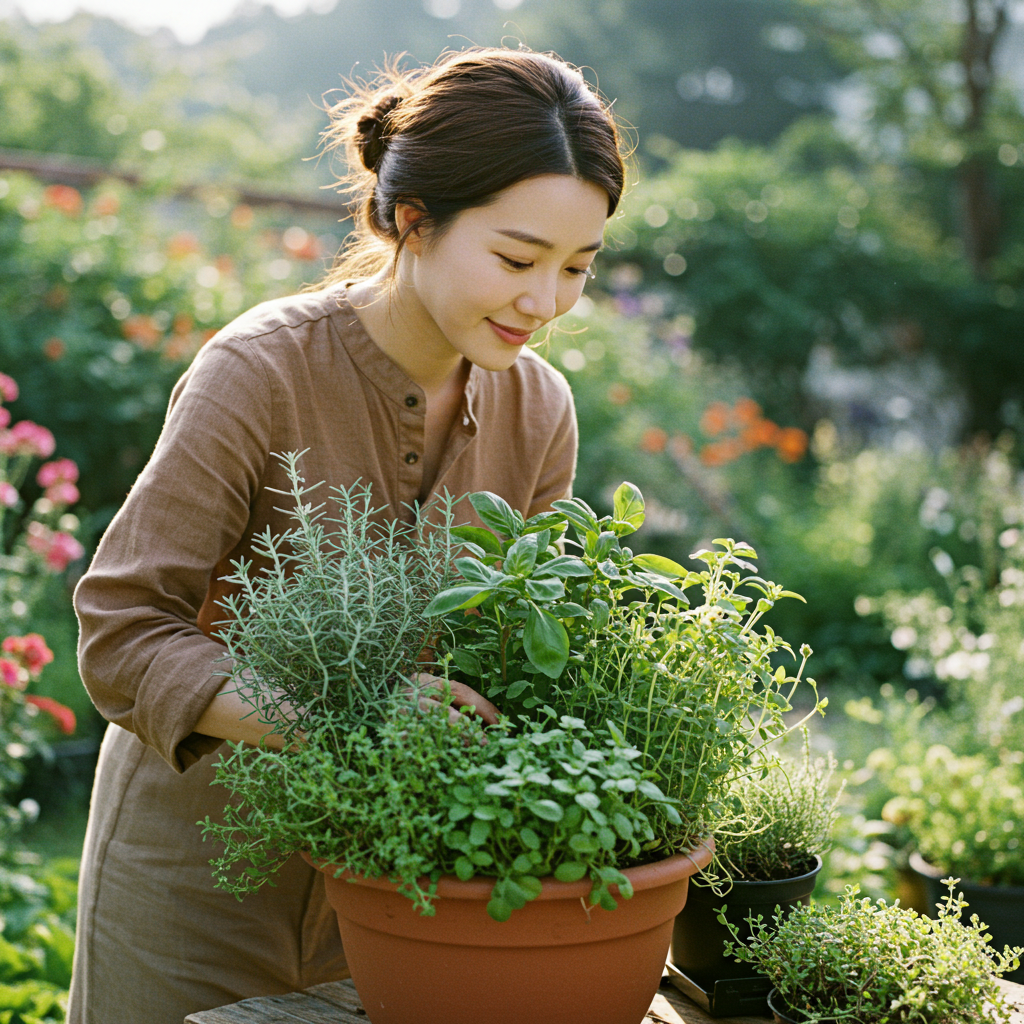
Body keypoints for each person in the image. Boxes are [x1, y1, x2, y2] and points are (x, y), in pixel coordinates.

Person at [68, 46, 626, 1024]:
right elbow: (121, 633)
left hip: (401, 887)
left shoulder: (540, 410)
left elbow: (522, 660)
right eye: (516, 259)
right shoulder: (258, 371)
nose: (545, 303)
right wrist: (350, 715)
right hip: (194, 881)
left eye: (576, 267)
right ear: (413, 220)